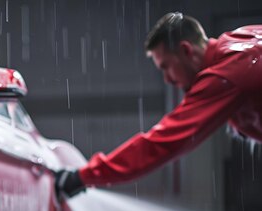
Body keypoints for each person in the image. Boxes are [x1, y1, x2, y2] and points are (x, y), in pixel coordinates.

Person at [55, 12, 262, 199]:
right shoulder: (245, 36)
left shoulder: (226, 74)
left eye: (166, 67)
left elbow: (161, 143)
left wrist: (83, 176)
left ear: (186, 50)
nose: (167, 79)